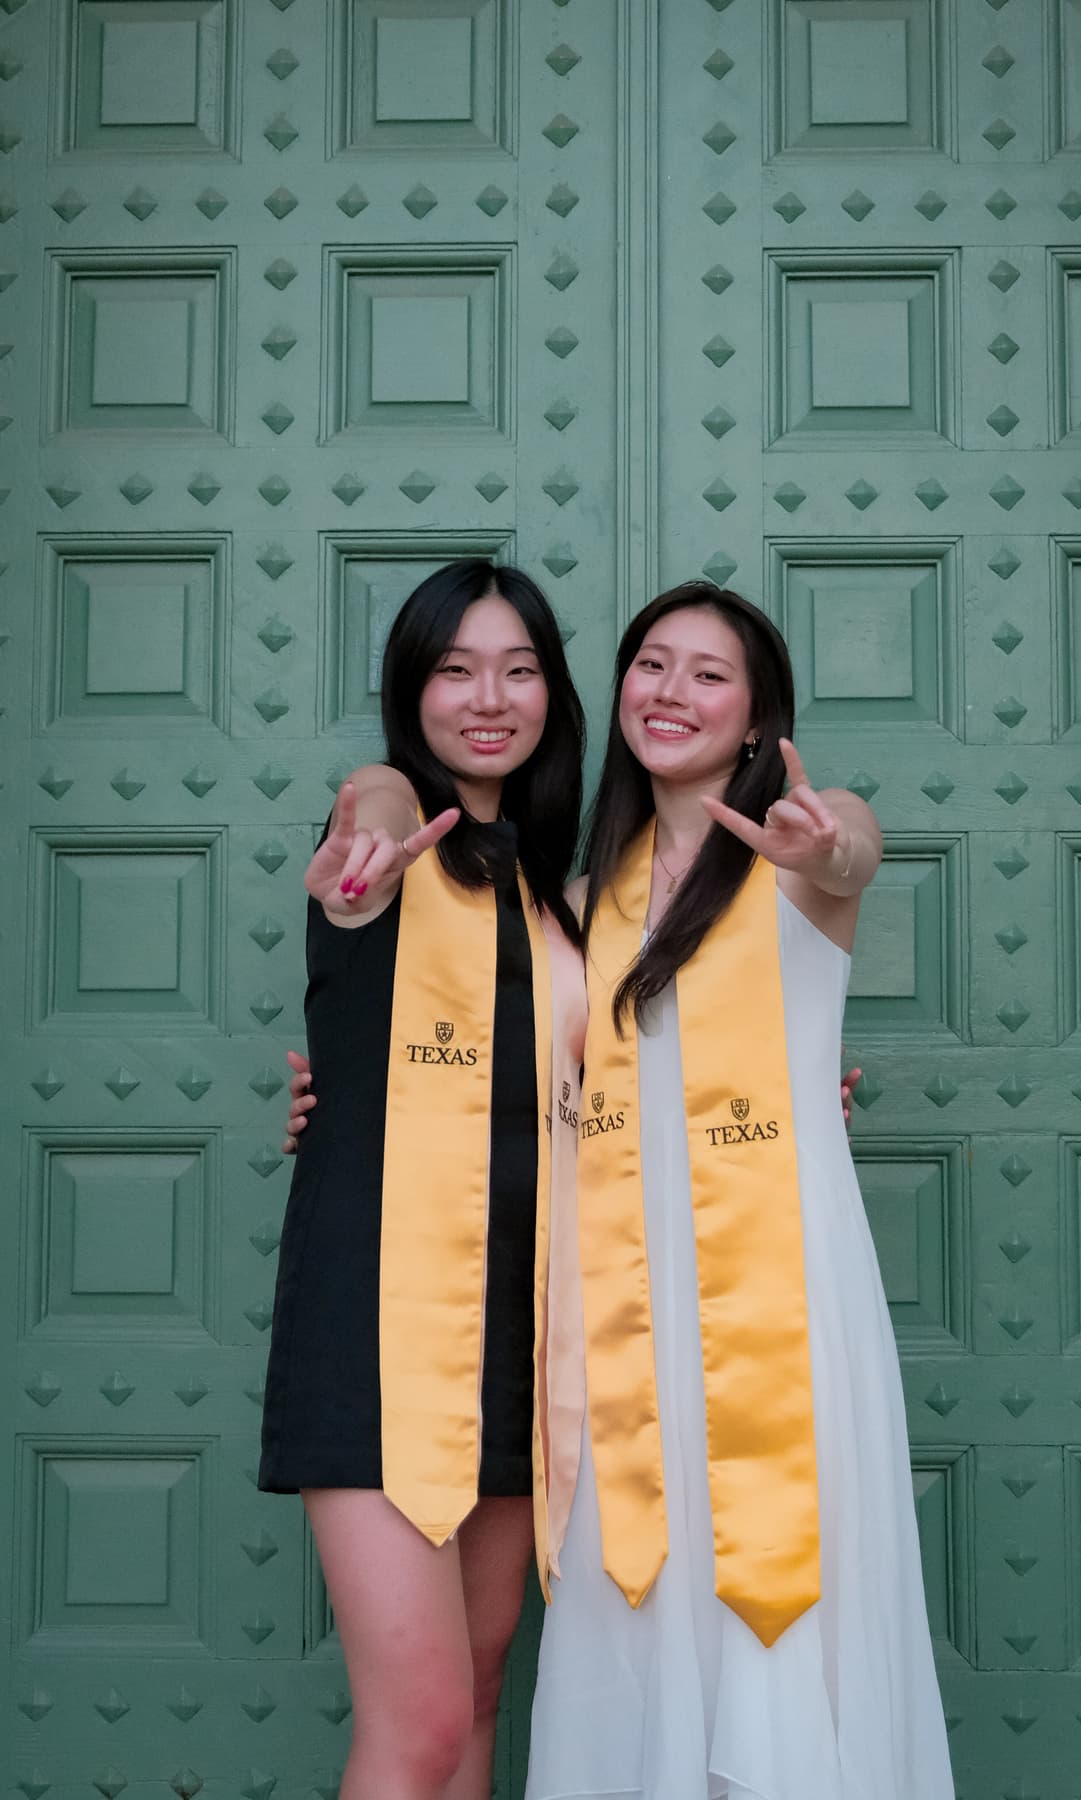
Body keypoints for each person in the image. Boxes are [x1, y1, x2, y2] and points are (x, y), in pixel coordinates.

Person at [524, 582, 956, 1800]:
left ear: (759, 716)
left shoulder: (800, 852)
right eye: (651, 665)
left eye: (708, 674)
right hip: (623, 1291)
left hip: (777, 1287)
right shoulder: (582, 897)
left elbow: (853, 848)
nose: (671, 692)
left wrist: (829, 848)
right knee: (638, 1566)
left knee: (775, 1558)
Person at [258, 559, 588, 1800]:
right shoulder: (376, 854)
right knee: (425, 1720)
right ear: (413, 689)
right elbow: (376, 809)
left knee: (483, 1694)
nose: (487, 697)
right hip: (379, 1329)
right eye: (454, 670)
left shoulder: (558, 897)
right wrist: (378, 813)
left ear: (552, 691)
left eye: (517, 668)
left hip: (517, 1329)